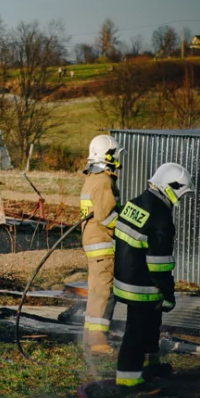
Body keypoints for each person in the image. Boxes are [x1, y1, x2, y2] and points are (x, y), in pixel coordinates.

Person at [113, 162, 194, 388]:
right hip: (142, 285)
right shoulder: (161, 218)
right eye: (181, 193)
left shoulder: (134, 203)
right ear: (171, 187)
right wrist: (168, 294)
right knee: (137, 331)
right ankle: (128, 379)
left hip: (124, 278)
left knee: (150, 322)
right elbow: (159, 264)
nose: (180, 198)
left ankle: (153, 364)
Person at [79, 134, 123, 355]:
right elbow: (107, 216)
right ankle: (97, 342)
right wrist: (125, 229)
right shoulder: (104, 181)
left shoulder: (91, 179)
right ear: (108, 155)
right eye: (115, 154)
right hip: (103, 243)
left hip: (92, 242)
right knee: (104, 292)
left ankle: (89, 336)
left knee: (96, 291)